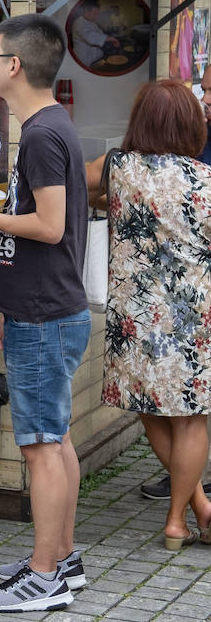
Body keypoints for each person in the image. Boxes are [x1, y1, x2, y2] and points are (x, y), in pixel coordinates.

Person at [0, 14, 88, 614]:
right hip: (42, 308)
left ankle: (46, 574)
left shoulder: (43, 134)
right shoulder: (48, 126)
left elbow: (49, 226)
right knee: (55, 438)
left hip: (46, 313)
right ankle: (62, 557)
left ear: (15, 65)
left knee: (40, 446)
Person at [101, 80, 211, 550]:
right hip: (192, 322)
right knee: (191, 418)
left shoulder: (118, 169)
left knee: (148, 409)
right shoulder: (205, 181)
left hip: (135, 319)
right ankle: (178, 518)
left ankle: (199, 509)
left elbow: (71, 182)